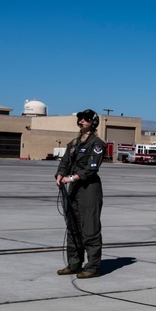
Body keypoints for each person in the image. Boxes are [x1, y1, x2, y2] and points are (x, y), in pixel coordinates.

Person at [55, 109, 107, 278]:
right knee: (73, 227)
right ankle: (74, 264)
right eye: (80, 119)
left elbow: (92, 168)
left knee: (89, 228)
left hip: (88, 189)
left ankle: (92, 267)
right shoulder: (74, 143)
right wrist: (60, 175)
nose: (81, 121)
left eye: (85, 119)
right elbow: (65, 162)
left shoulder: (97, 144)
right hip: (73, 189)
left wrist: (73, 177)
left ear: (93, 122)